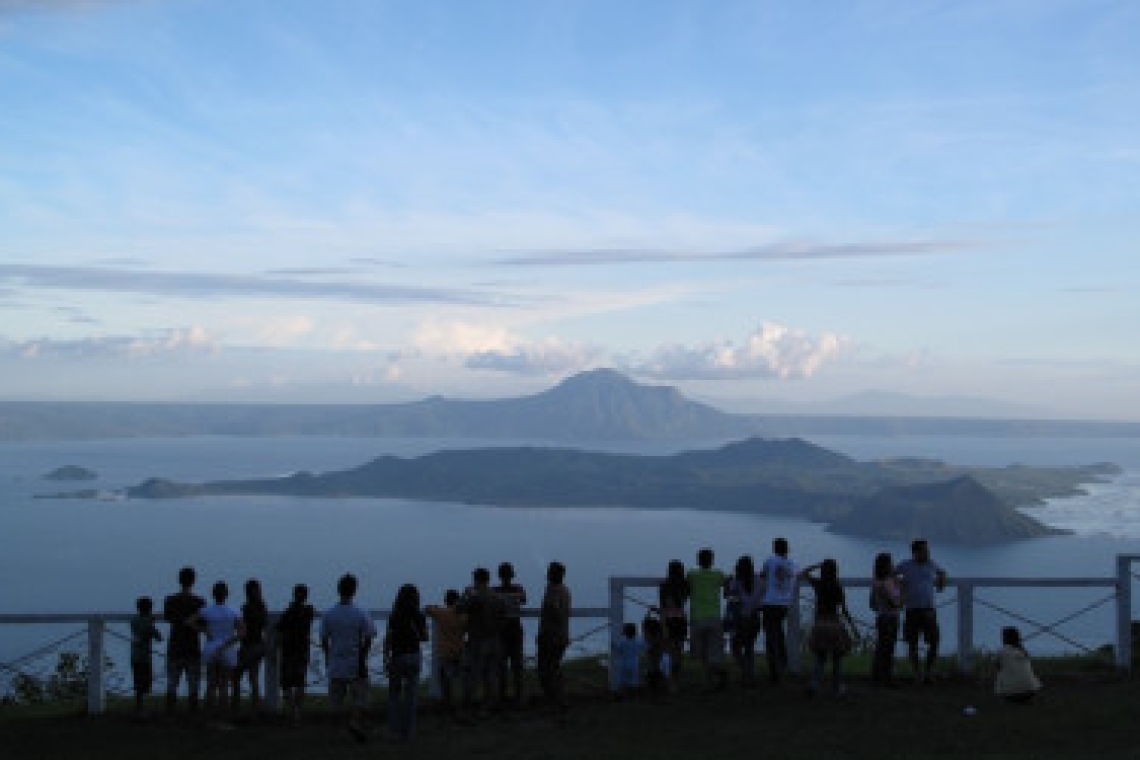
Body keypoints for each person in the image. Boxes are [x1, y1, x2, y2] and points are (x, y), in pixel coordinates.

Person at [320, 573, 376, 743]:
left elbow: (324, 638)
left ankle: (336, 733)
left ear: (339, 590)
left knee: (336, 700)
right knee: (362, 698)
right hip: (355, 661)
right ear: (354, 590)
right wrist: (363, 656)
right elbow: (369, 635)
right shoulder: (360, 613)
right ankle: (354, 722)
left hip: (336, 661)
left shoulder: (329, 613)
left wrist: (328, 656)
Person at [800, 559, 857, 697]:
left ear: (823, 571)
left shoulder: (819, 585)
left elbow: (803, 573)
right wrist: (853, 627)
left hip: (820, 624)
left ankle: (814, 685)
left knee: (820, 658)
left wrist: (817, 564)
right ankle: (837, 688)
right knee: (837, 659)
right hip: (834, 624)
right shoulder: (837, 587)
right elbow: (844, 610)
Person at [896, 538, 948, 684]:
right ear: (915, 552)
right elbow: (891, 575)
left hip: (929, 609)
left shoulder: (931, 564)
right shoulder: (905, 565)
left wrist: (941, 580)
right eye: (925, 550)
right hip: (912, 610)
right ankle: (917, 674)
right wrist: (899, 587)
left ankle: (928, 671)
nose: (928, 553)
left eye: (928, 550)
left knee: (934, 641)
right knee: (912, 643)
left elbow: (941, 573)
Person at [189, 581, 244, 717]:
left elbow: (189, 622)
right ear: (226, 594)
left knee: (211, 683)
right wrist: (229, 642)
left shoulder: (206, 610)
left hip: (211, 647)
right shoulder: (233, 611)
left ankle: (209, 714)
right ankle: (223, 714)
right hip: (227, 648)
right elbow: (242, 632)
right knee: (224, 685)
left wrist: (204, 630)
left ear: (213, 594)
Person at [457, 567, 506, 714]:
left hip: (477, 640)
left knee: (472, 674)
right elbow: (503, 617)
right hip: (495, 639)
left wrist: (465, 594)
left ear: (477, 580)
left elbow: (458, 609)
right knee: (491, 675)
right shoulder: (496, 597)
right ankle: (490, 704)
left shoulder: (475, 597)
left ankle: (469, 705)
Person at [384, 584, 428, 742]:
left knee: (394, 696)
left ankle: (394, 732)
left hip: (397, 656)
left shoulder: (394, 615)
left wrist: (385, 657)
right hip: (414, 656)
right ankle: (408, 733)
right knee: (411, 696)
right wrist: (416, 632)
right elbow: (424, 638)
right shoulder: (419, 616)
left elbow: (388, 638)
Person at [163, 566, 205, 714]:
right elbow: (202, 624)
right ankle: (193, 713)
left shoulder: (170, 601)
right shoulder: (200, 602)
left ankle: (170, 712)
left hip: (175, 645)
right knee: (194, 684)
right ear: (193, 581)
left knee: (172, 683)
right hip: (192, 647)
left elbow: (168, 617)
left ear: (179, 580)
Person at [687, 548, 728, 690]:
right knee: (714, 651)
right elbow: (727, 584)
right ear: (712, 560)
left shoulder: (692, 575)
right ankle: (715, 677)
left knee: (700, 652)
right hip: (715, 617)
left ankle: (711, 679)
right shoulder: (719, 575)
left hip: (697, 617)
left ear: (698, 560)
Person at [759, 537, 797, 684]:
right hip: (783, 605)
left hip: (770, 603)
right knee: (779, 634)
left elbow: (762, 577)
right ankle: (783, 663)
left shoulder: (770, 560)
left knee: (771, 638)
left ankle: (774, 672)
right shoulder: (793, 564)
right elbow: (795, 576)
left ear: (775, 548)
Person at [275, 583, 315, 723]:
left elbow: (279, 631)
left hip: (288, 651)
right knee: (299, 682)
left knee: (287, 683)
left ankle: (292, 711)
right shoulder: (308, 612)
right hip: (302, 650)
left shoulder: (288, 613)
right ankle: (297, 712)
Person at [536, 561, 571, 713]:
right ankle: (559, 699)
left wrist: (545, 632)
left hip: (551, 637)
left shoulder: (553, 590)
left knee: (547, 670)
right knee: (554, 668)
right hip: (561, 635)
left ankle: (555, 700)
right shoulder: (565, 590)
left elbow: (554, 610)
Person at [425, 589, 467, 715]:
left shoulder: (441, 613)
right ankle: (460, 703)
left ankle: (447, 703)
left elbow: (427, 609)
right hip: (459, 649)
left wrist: (435, 607)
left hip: (445, 651)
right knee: (459, 677)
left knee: (445, 679)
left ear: (446, 600)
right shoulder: (463, 615)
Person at [727, 555, 765, 687]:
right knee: (749, 648)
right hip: (755, 618)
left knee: (735, 647)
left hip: (741, 619)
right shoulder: (759, 580)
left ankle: (746, 673)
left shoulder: (737, 581)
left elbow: (730, 596)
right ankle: (750, 676)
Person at [495, 562, 527, 706]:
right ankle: (517, 697)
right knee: (515, 666)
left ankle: (505, 696)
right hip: (513, 631)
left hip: (504, 632)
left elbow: (523, 598)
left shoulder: (495, 591)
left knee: (505, 666)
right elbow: (523, 598)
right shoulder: (517, 589)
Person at [235, 578, 268, 714]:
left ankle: (235, 706)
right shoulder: (262, 606)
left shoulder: (246, 608)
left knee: (236, 675)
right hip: (259, 645)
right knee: (254, 677)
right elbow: (265, 625)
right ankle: (256, 708)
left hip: (248, 646)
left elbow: (242, 628)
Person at [870, 552, 902, 687]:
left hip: (883, 617)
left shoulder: (878, 582)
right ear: (886, 566)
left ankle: (877, 676)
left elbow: (872, 604)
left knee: (881, 648)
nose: (893, 565)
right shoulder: (885, 583)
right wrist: (903, 598)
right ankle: (887, 678)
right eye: (891, 563)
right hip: (890, 618)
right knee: (888, 649)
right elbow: (894, 603)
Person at [657, 560, 689, 691]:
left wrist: (663, 623)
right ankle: (675, 681)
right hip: (681, 620)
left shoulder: (665, 586)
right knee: (678, 652)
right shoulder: (685, 586)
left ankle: (669, 681)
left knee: (668, 652)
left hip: (669, 621)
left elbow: (663, 607)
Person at [130, 596, 163, 715]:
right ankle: (141, 709)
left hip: (134, 655)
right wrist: (152, 623)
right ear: (149, 609)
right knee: (145, 683)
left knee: (137, 683)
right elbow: (159, 637)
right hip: (144, 658)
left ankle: (139, 707)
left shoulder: (134, 620)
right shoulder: (148, 623)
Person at [994, 627, 1042, 704]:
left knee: (1000, 673)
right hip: (1031, 692)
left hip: (1011, 694)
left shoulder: (1002, 651)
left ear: (1005, 638)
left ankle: (1005, 696)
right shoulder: (1023, 651)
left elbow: (996, 665)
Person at [613, 622, 646, 697]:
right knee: (634, 679)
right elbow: (644, 647)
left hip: (624, 662)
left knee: (622, 679)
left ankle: (622, 694)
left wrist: (613, 645)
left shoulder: (622, 641)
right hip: (634, 662)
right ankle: (633, 694)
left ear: (625, 632)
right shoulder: (638, 641)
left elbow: (618, 650)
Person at [641, 615, 667, 697]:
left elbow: (644, 625)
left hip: (653, 667)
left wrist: (648, 614)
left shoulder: (649, 641)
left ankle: (653, 689)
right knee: (656, 672)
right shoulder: (660, 639)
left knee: (652, 672)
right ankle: (657, 688)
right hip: (657, 666)